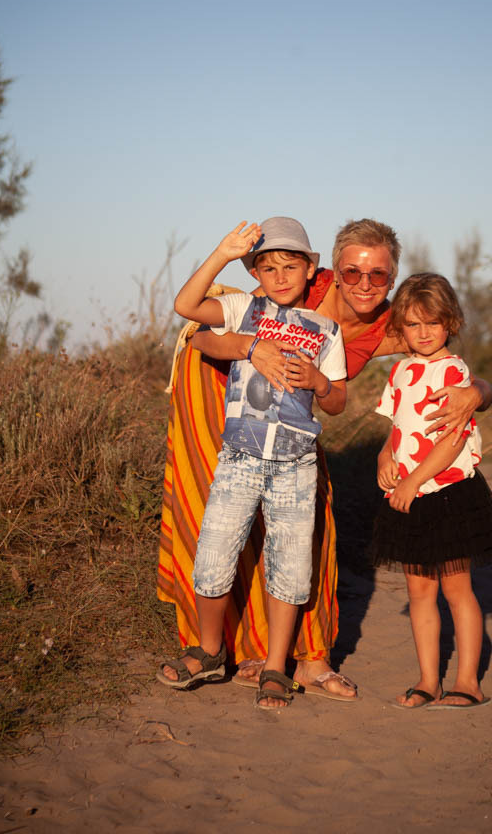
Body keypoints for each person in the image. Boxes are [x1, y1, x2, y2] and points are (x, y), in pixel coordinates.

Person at [157, 219, 492, 700]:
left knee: (307, 533)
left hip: (295, 423)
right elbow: (204, 337)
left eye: (378, 275)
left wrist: (477, 392)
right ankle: (228, 647)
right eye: (352, 272)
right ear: (332, 270)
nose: (363, 284)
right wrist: (253, 347)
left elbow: (444, 357)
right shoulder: (299, 285)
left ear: (392, 277)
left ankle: (305, 659)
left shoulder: (390, 325)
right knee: (225, 534)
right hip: (225, 394)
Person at [158, 218, 347, 709]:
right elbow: (186, 308)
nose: (280, 276)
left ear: (310, 270)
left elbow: (338, 401)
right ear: (255, 273)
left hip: (296, 464)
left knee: (289, 565)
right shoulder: (243, 309)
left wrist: (319, 383)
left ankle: (276, 668)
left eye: (291, 266)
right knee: (215, 553)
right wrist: (222, 253)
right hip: (240, 458)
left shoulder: (327, 331)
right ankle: (209, 649)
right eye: (268, 267)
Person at [373, 273, 492, 709]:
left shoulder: (454, 372)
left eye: (432, 323)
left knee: (456, 589)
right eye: (412, 324)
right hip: (408, 496)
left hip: (447, 493)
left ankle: (468, 681)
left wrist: (414, 479)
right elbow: (397, 429)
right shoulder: (400, 371)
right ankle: (429, 680)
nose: (423, 333)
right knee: (419, 592)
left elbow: (454, 440)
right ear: (399, 328)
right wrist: (384, 460)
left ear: (450, 322)